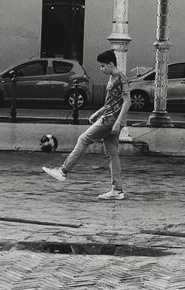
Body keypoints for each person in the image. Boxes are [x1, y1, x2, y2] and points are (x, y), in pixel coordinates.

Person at [43, 49, 130, 200]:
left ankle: (63, 171)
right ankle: (117, 189)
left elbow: (127, 102)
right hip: (108, 118)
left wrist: (117, 122)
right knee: (112, 154)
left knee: (84, 139)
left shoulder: (120, 77)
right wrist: (98, 113)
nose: (101, 69)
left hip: (109, 120)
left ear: (111, 64)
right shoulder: (113, 76)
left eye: (103, 66)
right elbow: (112, 102)